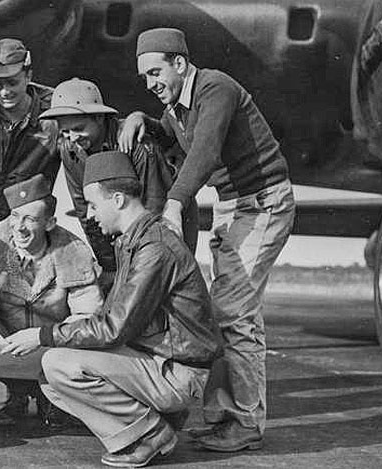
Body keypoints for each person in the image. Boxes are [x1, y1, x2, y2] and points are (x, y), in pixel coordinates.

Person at [119, 28, 295, 452]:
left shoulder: (215, 87)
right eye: (144, 77)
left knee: (235, 313)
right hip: (233, 207)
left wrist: (176, 203)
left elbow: (205, 150)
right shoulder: (177, 107)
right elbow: (174, 135)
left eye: (156, 72)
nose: (151, 83)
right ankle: (222, 417)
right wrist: (142, 119)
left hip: (263, 204)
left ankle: (245, 422)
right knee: (223, 311)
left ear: (180, 63)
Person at [3, 152, 221, 468]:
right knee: (49, 375)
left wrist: (42, 334)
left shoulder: (153, 247)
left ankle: (151, 433)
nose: (90, 215)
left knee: (57, 363)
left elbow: (114, 327)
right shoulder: (136, 240)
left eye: (93, 205)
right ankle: (156, 422)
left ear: (117, 199)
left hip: (178, 371)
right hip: (164, 361)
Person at [0, 174, 104, 433]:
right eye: (15, 216)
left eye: (30, 219)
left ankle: (54, 400)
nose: (19, 227)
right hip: (5, 346)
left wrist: (43, 337)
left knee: (84, 338)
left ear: (50, 223)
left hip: (50, 347)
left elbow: (88, 314)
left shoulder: (72, 250)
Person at [39, 78, 198, 292]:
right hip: (124, 235)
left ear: (98, 117)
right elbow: (87, 214)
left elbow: (153, 209)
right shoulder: (70, 150)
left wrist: (135, 268)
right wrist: (111, 268)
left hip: (166, 225)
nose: (72, 138)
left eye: (78, 128)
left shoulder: (137, 143)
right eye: (66, 132)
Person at [0, 38, 60, 227]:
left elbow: (95, 124)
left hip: (27, 222)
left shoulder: (53, 114)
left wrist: (135, 118)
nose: (4, 92)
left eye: (12, 82)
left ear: (29, 76)